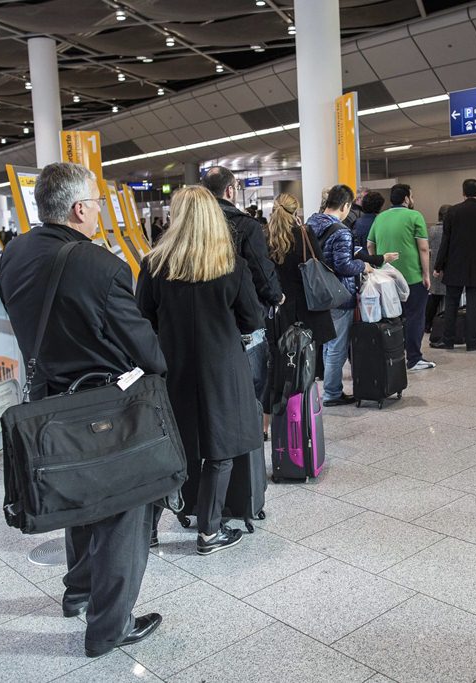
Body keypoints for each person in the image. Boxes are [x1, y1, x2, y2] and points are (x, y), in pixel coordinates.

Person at [0, 162, 165, 658]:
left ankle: (78, 592)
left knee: (78, 494)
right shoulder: (102, 266)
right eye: (96, 202)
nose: (98, 211)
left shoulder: (15, 253)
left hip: (48, 401)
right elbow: (146, 351)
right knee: (126, 504)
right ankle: (110, 626)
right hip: (103, 404)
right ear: (78, 209)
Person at [136, 186, 264, 555]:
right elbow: (252, 319)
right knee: (220, 448)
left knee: (168, 446)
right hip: (222, 369)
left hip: (171, 368)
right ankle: (209, 531)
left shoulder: (154, 266)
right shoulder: (231, 266)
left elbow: (142, 318)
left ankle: (148, 531)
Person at [202, 166, 284, 436]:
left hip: (203, 318)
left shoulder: (195, 224)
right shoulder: (245, 225)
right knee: (253, 380)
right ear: (230, 190)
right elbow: (260, 269)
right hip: (243, 316)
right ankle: (252, 433)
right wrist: (276, 296)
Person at [263, 193, 336, 415]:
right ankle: (304, 412)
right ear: (296, 212)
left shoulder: (266, 237)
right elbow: (319, 263)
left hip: (280, 310)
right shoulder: (304, 233)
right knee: (307, 363)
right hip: (309, 308)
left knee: (283, 363)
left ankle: (281, 411)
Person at [308, 184, 377, 407]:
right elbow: (344, 265)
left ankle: (329, 389)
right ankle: (332, 393)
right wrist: (363, 266)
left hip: (317, 292)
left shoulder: (311, 223)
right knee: (336, 347)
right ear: (346, 205)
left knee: (328, 344)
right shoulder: (341, 231)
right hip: (339, 295)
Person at [367, 184, 435, 371]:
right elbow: (423, 248)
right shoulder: (415, 216)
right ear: (406, 198)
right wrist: (426, 274)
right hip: (412, 276)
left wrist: (377, 266)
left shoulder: (380, 217)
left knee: (392, 318)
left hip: (385, 278)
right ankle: (414, 359)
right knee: (415, 317)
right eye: (411, 196)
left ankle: (392, 356)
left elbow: (370, 245)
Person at [431, 179, 476, 352]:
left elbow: (446, 242)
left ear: (463, 192)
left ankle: (448, 340)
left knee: (451, 303)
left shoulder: (452, 212)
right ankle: (472, 341)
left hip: (454, 264)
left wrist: (439, 265)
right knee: (473, 304)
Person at [425, 204, 450, 328]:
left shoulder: (431, 230)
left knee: (434, 298)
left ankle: (427, 324)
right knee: (450, 299)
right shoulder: (451, 230)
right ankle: (445, 325)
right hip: (448, 268)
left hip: (433, 267)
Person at [352, 190, 384, 255]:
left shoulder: (356, 222)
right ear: (380, 207)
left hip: (360, 256)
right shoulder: (381, 222)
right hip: (377, 256)